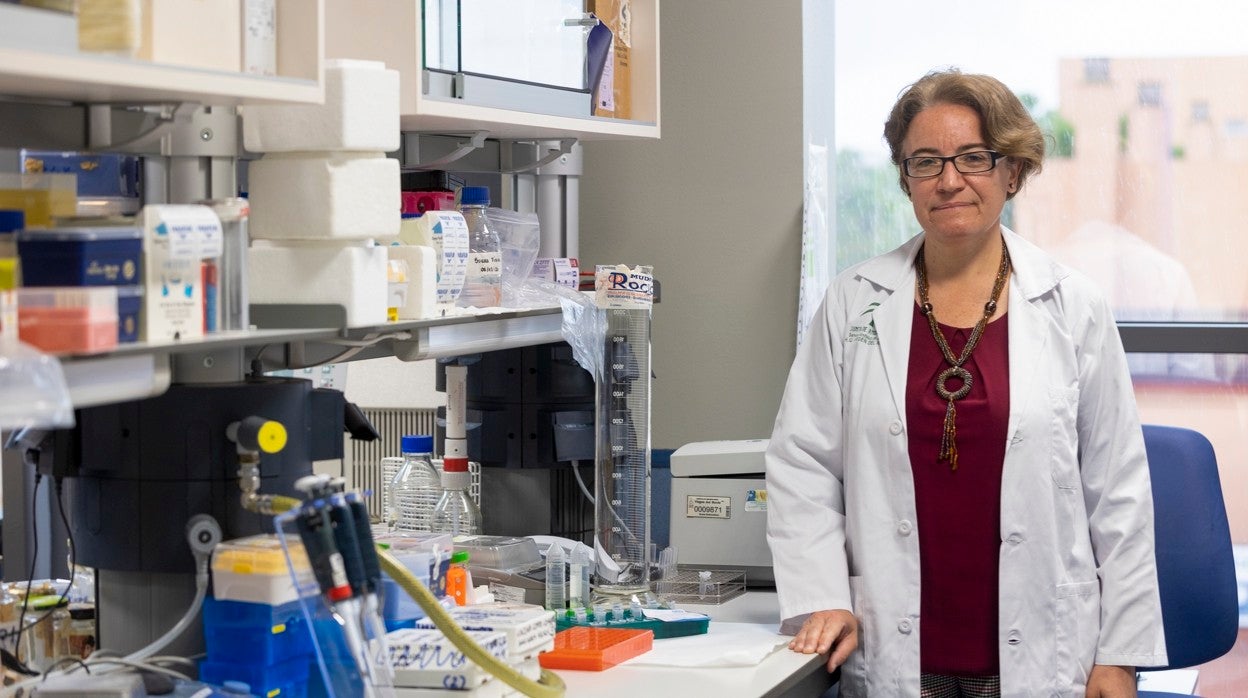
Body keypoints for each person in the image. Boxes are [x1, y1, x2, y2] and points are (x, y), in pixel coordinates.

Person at [765, 69, 1168, 698]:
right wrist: (822, 596)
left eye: (974, 158)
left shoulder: (1072, 306)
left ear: (1013, 171)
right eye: (925, 162)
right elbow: (804, 463)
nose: (949, 180)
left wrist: (1119, 654)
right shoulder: (854, 302)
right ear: (905, 179)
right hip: (893, 648)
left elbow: (1118, 490)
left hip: (1043, 651)